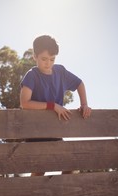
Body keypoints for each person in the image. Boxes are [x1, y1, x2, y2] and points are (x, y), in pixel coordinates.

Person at [20, 35, 91, 176]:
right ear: (35, 56)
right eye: (44, 59)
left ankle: (62, 194)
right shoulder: (32, 75)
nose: (48, 63)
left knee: (71, 165)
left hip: (56, 129)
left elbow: (79, 84)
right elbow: (24, 103)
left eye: (52, 59)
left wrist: (84, 104)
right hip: (36, 132)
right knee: (39, 171)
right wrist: (53, 106)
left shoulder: (60, 72)